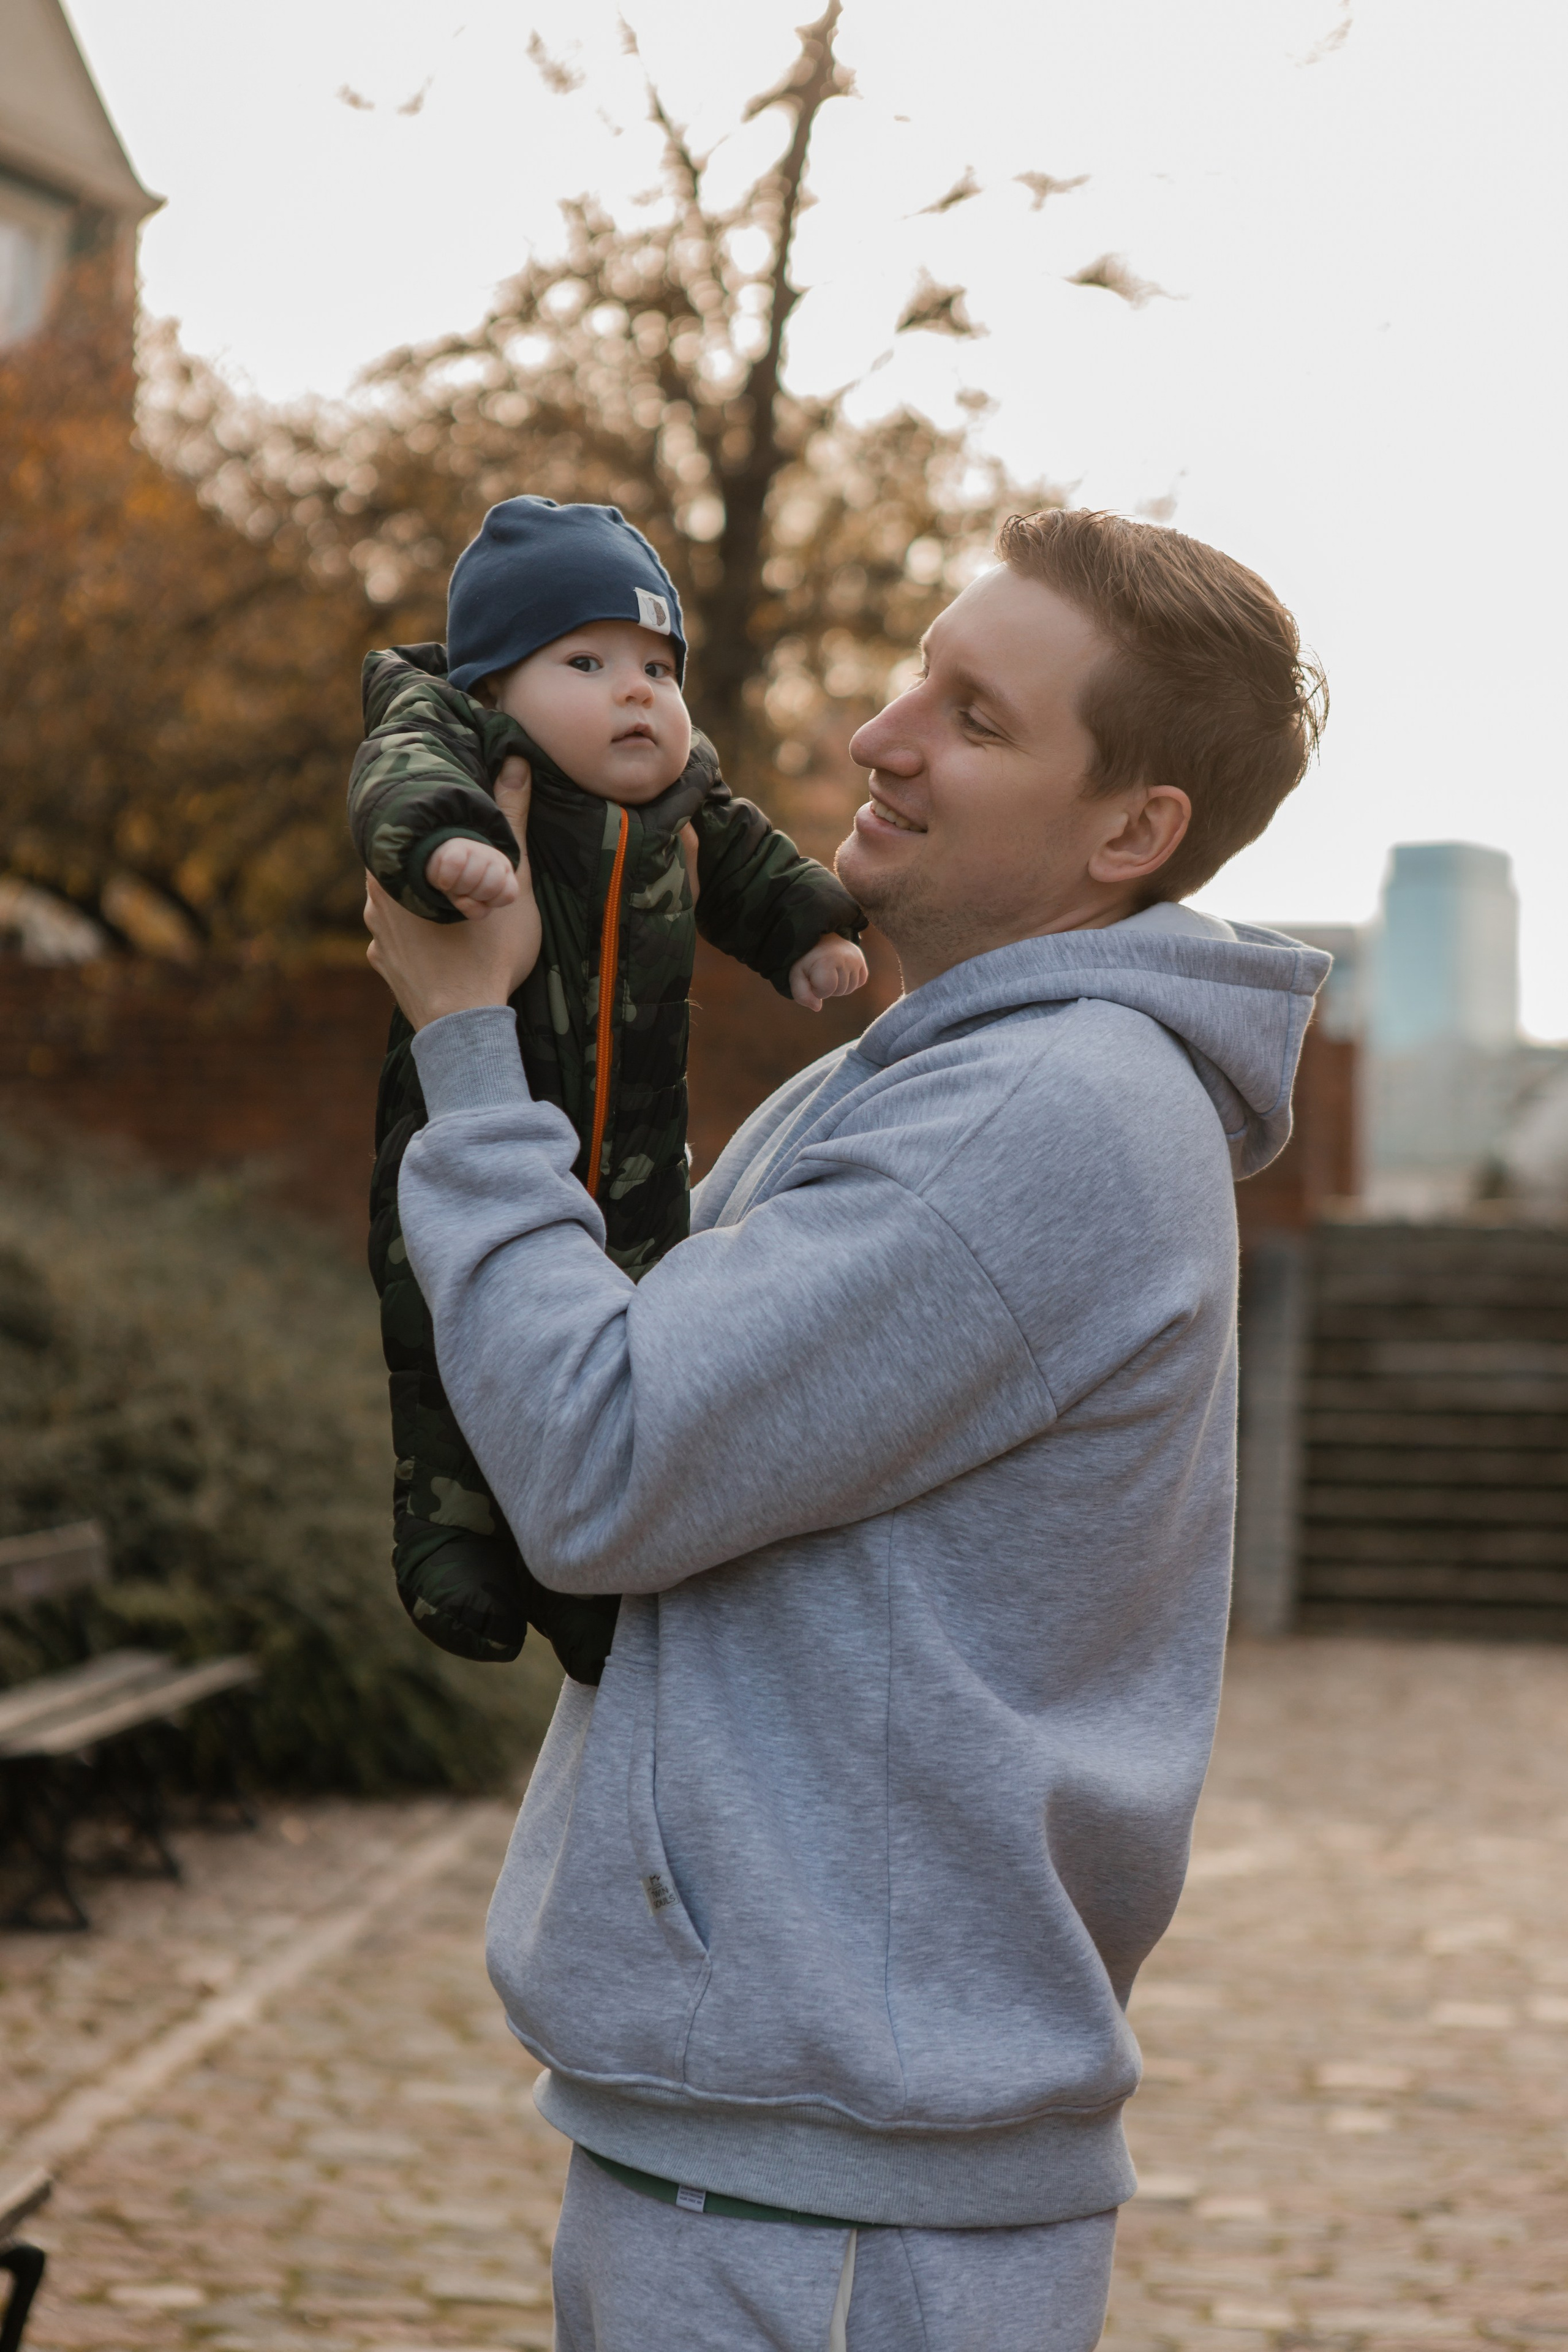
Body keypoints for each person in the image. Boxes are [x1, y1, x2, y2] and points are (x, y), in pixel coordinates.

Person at [363, 507, 1330, 2351]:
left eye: (975, 717)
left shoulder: (1029, 1116)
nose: (884, 736)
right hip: (802, 2161)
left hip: (832, 2210)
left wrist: (462, 1045)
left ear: (1133, 832)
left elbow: (600, 1460)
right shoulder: (959, 1073)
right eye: (918, 674)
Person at [348, 495, 866, 1672]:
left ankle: (582, 1572)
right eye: (586, 661)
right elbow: (396, 775)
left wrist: (806, 932)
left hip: (636, 1157)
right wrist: (443, 842)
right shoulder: (459, 740)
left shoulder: (682, 798)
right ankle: (449, 1531)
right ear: (494, 687)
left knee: (619, 1338)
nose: (637, 692)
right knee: (444, 1326)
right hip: (465, 1124)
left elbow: (747, 858)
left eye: (657, 667)